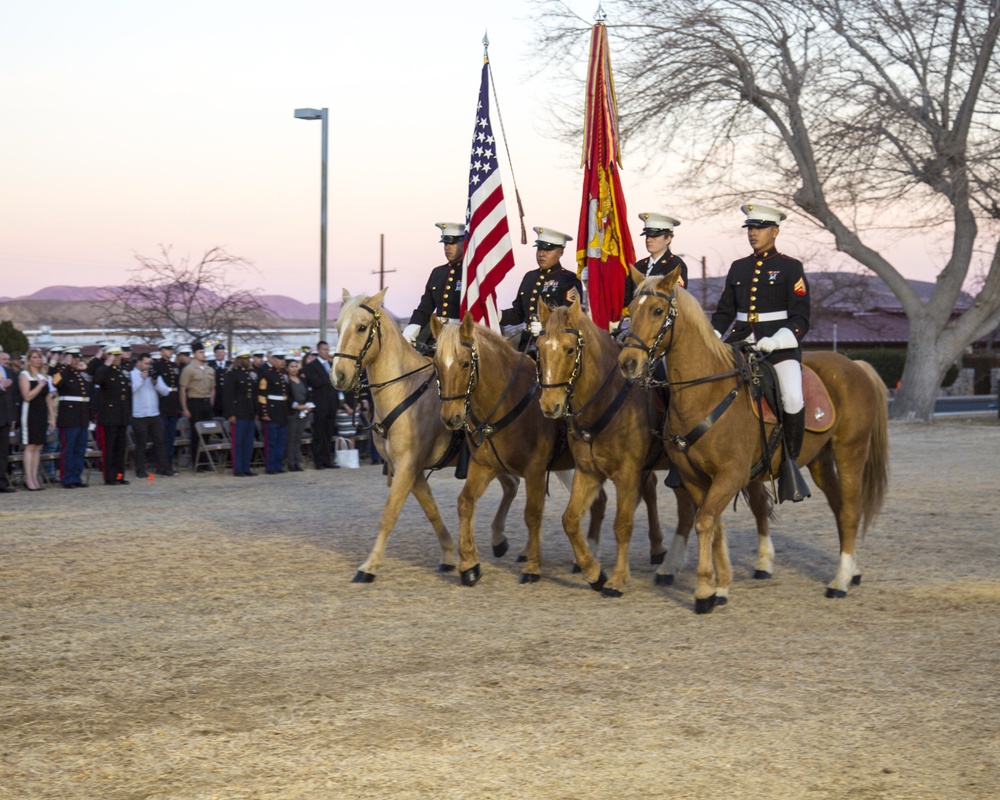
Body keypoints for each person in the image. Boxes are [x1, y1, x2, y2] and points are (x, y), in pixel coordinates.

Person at [711, 200, 811, 502]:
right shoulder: (738, 267)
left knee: (792, 395)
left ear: (775, 231)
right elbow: (724, 312)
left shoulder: (790, 267)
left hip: (777, 348)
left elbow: (801, 318)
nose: (753, 233)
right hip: (739, 342)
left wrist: (779, 339)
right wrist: (713, 337)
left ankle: (790, 462)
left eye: (760, 228)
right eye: (750, 228)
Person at [500, 226, 583, 351]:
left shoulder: (569, 279)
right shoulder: (530, 277)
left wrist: (545, 327)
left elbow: (570, 316)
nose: (542, 254)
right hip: (526, 346)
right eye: (539, 249)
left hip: (554, 349)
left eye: (548, 250)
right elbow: (518, 314)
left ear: (560, 252)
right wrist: (499, 315)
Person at [402, 221, 466, 347]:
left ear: (464, 243)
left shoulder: (470, 273)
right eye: (446, 243)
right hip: (437, 337)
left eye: (452, 243)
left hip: (461, 339)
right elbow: (424, 310)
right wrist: (408, 334)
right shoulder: (438, 273)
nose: (447, 247)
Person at [622, 212, 689, 315]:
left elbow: (676, 298)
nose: (649, 240)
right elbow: (625, 297)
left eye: (654, 236)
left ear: (668, 239)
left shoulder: (675, 265)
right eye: (647, 236)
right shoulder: (639, 266)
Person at [93, 344, 132, 486]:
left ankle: (119, 475)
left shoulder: (120, 372)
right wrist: (106, 363)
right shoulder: (104, 371)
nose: (118, 358)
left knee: (120, 448)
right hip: (109, 414)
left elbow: (126, 394)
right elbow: (97, 380)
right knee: (109, 448)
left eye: (118, 355)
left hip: (121, 413)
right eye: (114, 355)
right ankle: (109, 477)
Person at [51, 347, 91, 488]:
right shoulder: (61, 372)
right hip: (69, 417)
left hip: (82, 416)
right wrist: (65, 366)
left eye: (78, 357)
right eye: (73, 357)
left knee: (80, 449)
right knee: (69, 449)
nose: (76, 360)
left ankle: (76, 477)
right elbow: (56, 383)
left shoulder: (80, 374)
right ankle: (67, 478)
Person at [17, 349, 56, 491]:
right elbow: (27, 396)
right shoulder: (24, 375)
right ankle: (28, 479)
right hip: (29, 413)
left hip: (41, 413)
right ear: (29, 359)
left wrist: (52, 418)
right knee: (30, 446)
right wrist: (39, 385)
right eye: (34, 357)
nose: (37, 360)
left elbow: (48, 398)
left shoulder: (44, 375)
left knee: (38, 446)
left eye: (39, 357)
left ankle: (34, 478)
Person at [130, 352, 170, 479]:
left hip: (154, 413)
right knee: (141, 443)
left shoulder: (154, 375)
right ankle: (140, 470)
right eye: (146, 363)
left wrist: (155, 382)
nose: (148, 366)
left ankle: (164, 468)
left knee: (159, 441)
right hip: (139, 414)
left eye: (150, 363)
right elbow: (131, 390)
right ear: (139, 362)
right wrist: (142, 378)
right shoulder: (132, 375)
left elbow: (165, 392)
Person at [180, 341, 216, 471]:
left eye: (203, 352)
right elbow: (183, 389)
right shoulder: (189, 369)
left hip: (206, 402)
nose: (203, 354)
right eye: (200, 352)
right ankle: (196, 462)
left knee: (207, 433)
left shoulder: (209, 369)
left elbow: (213, 388)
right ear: (194, 354)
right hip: (194, 402)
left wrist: (210, 402)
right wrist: (185, 408)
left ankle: (205, 462)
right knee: (196, 434)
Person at [303, 340, 338, 469]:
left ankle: (327, 459)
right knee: (319, 434)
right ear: (318, 351)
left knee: (329, 434)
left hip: (331, 405)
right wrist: (328, 376)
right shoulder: (311, 366)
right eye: (324, 349)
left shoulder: (331, 364)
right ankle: (318, 461)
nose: (326, 352)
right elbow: (315, 383)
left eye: (327, 350)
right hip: (320, 405)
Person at [224, 348, 258, 477]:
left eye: (248, 358)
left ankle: (246, 467)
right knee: (238, 442)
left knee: (248, 442)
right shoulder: (232, 374)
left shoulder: (251, 373)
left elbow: (253, 394)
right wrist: (231, 414)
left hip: (249, 411)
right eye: (244, 358)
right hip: (238, 412)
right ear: (239, 360)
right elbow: (228, 396)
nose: (247, 361)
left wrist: (256, 411)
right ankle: (238, 468)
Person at [258, 350, 289, 474]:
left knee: (281, 440)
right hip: (272, 410)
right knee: (271, 440)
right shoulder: (267, 374)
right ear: (273, 360)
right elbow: (262, 395)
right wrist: (264, 412)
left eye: (283, 359)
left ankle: (278, 464)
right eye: (279, 359)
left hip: (282, 410)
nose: (282, 361)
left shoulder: (284, 374)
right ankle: (270, 466)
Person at [153, 341, 182, 475]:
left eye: (171, 349)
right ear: (161, 350)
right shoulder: (157, 365)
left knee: (170, 437)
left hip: (173, 403)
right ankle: (161, 466)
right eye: (168, 349)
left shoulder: (174, 366)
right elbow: (155, 383)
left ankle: (168, 464)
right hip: (163, 403)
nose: (170, 351)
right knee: (162, 438)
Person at [285, 356, 310, 472]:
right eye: (292, 367)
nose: (294, 369)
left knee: (298, 438)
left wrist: (308, 405)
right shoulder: (286, 381)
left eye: (296, 366)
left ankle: (297, 462)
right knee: (292, 438)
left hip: (303, 411)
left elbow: (308, 393)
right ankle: (291, 462)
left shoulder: (302, 380)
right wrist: (296, 406)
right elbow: (287, 397)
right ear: (287, 368)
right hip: (293, 411)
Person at [0, 345, 18, 493]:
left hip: (5, 418)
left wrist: (12, 418)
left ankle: (1, 482)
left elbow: (11, 398)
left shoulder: (8, 372)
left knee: (3, 453)